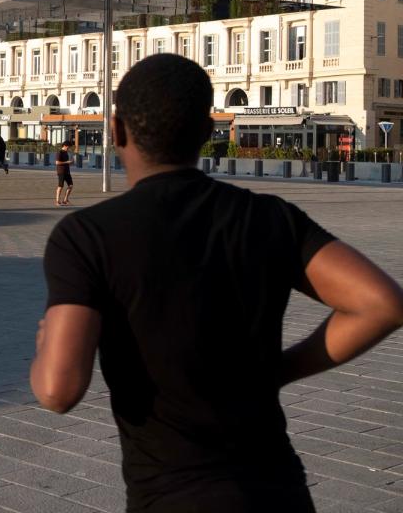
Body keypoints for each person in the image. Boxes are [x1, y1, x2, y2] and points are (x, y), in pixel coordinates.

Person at [30, 54, 403, 512]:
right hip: (277, 491)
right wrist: (280, 369)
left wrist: (48, 340)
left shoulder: (86, 237)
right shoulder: (269, 217)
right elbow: (381, 303)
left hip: (169, 496)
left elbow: (58, 390)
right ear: (209, 133)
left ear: (116, 131)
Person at [54, 140, 73, 206]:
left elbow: (67, 162)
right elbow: (57, 163)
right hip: (61, 171)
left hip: (67, 171)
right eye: (68, 147)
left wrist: (70, 163)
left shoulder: (66, 153)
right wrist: (67, 162)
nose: (69, 148)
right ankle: (57, 201)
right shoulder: (59, 152)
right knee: (60, 186)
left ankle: (65, 200)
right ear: (64, 146)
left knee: (70, 185)